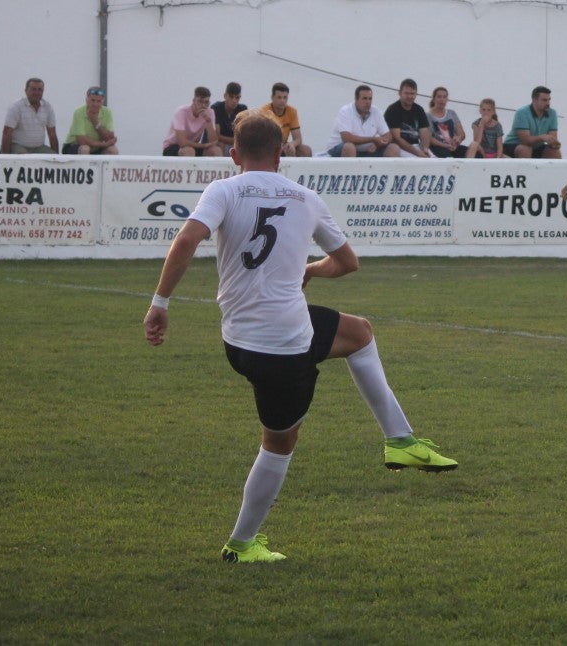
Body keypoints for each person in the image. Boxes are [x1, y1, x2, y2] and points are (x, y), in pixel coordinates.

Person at [142, 111, 457, 565]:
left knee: (358, 332)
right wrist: (312, 269)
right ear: (281, 153)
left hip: (241, 338)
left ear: (234, 155)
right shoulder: (306, 197)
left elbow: (188, 239)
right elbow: (348, 263)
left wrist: (160, 303)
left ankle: (401, 440)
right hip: (284, 346)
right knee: (279, 443)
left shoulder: (223, 189)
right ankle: (242, 544)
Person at [324, 85, 400, 157]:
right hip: (339, 148)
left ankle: (387, 171)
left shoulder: (376, 111)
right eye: (364, 98)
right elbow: (347, 138)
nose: (368, 102)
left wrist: (377, 144)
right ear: (356, 99)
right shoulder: (345, 111)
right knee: (349, 147)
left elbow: (388, 136)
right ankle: (350, 171)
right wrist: (373, 139)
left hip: (367, 150)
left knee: (393, 148)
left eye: (370, 99)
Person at [0, 77, 58, 154]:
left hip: (38, 148)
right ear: (26, 91)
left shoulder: (47, 107)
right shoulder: (16, 107)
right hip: (17, 146)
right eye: (33, 89)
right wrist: (5, 158)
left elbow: (52, 134)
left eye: (40, 90)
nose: (37, 92)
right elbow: (7, 133)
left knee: (52, 159)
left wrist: (57, 157)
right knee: (23, 158)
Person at [162, 86, 224, 157]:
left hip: (193, 146)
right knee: (189, 150)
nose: (203, 105)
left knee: (216, 150)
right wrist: (203, 145)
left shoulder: (209, 112)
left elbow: (213, 141)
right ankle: (190, 168)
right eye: (200, 101)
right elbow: (182, 142)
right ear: (194, 100)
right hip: (172, 147)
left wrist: (208, 121)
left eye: (206, 102)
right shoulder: (181, 112)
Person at [502, 85, 561, 158]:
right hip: (512, 145)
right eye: (544, 100)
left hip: (535, 147)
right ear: (534, 100)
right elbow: (525, 141)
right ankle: (525, 170)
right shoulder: (522, 113)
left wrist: (554, 143)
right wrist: (542, 137)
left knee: (554, 152)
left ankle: (556, 169)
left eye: (549, 100)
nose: (548, 103)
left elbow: (553, 138)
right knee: (525, 149)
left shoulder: (552, 113)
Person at [384, 78, 433, 158]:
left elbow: (424, 132)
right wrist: (417, 153)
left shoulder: (419, 109)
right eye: (406, 93)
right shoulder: (393, 110)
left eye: (412, 94)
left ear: (416, 94)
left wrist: (425, 149)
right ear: (400, 93)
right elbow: (397, 138)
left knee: (435, 162)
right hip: (400, 147)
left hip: (416, 146)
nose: (410, 96)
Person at [261, 82, 313, 157]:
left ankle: (298, 168)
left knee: (306, 150)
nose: (282, 101)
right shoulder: (264, 111)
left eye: (285, 97)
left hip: (284, 145)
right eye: (279, 97)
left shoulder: (292, 111)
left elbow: (298, 138)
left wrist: (291, 144)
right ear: (272, 97)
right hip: (268, 146)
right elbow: (262, 137)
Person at [62, 86, 118, 155]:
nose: (95, 104)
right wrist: (104, 145)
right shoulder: (79, 112)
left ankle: (108, 166)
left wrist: (95, 122)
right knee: (85, 149)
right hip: (73, 146)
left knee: (113, 150)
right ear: (86, 100)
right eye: (92, 100)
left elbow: (110, 139)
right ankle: (83, 166)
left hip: (95, 148)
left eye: (98, 101)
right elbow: (81, 141)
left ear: (102, 101)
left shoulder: (107, 112)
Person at [426, 86, 469, 158]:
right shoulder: (428, 115)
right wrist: (445, 145)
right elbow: (429, 139)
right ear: (433, 99)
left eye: (444, 97)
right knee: (449, 159)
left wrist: (458, 139)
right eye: (439, 97)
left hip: (453, 147)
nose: (442, 99)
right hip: (438, 147)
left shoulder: (451, 113)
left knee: (477, 154)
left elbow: (462, 134)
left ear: (447, 99)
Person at [211, 82, 248, 151]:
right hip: (218, 145)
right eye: (231, 97)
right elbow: (216, 136)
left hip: (234, 145)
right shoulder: (216, 108)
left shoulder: (243, 109)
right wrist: (236, 141)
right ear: (225, 96)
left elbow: (243, 136)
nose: (234, 101)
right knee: (220, 145)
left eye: (237, 97)